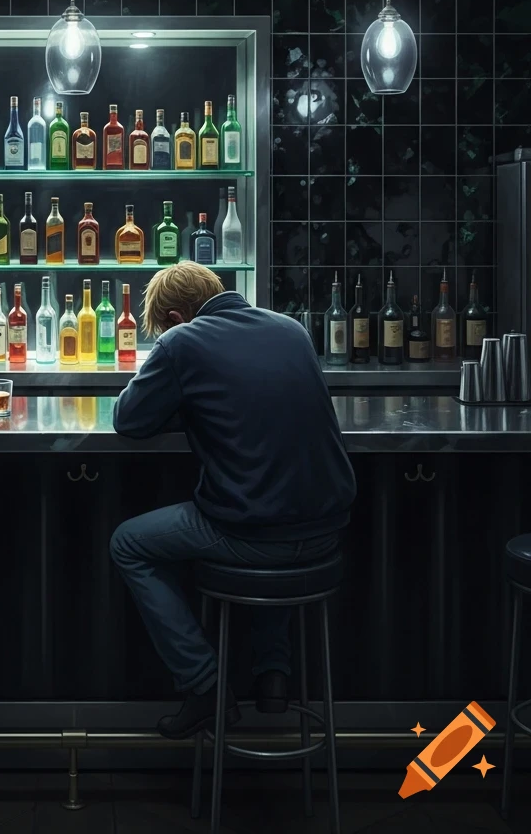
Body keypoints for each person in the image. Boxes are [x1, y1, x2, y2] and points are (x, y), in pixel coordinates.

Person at [109, 262, 356, 738]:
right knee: (274, 503)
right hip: (328, 527)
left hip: (254, 532)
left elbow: (129, 421)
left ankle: (205, 687)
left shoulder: (181, 341)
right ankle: (273, 676)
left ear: (178, 317)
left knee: (129, 543)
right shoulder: (291, 328)